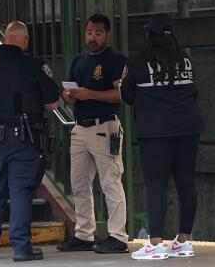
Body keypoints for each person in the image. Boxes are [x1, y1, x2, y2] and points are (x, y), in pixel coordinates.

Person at [0, 21, 59, 262]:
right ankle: (21, 248)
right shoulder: (35, 65)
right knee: (20, 192)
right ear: (25, 40)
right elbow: (52, 103)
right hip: (23, 139)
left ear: (5, 38)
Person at [120, 13, 204, 260]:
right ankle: (183, 241)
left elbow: (126, 95)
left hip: (156, 132)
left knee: (157, 184)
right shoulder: (185, 60)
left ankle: (156, 243)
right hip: (189, 128)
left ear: (150, 35)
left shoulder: (139, 61)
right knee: (186, 183)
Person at [56, 14, 128, 254]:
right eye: (89, 33)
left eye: (97, 33)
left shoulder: (117, 60)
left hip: (104, 126)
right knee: (79, 183)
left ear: (107, 33)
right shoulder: (79, 60)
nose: (92, 38)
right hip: (80, 126)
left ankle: (118, 236)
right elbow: (67, 89)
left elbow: (121, 95)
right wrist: (68, 96)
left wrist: (90, 94)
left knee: (110, 182)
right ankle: (84, 234)